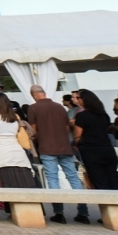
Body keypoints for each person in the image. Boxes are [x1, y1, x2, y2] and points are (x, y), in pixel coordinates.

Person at [27, 84, 89, 224]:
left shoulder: (34, 108)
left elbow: (33, 130)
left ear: (33, 95)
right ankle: (83, 212)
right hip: (64, 146)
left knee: (53, 178)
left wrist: (39, 140)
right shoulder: (59, 107)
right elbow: (67, 127)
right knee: (73, 177)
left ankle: (59, 213)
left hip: (47, 147)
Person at [71, 89, 118, 192]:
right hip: (107, 149)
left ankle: (108, 205)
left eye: (78, 98)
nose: (76, 100)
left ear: (84, 100)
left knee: (100, 182)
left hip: (91, 151)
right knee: (114, 180)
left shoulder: (82, 116)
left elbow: (77, 136)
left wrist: (80, 142)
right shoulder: (104, 115)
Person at [0, 93, 36, 188]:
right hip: (17, 148)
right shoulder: (15, 116)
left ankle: (3, 197)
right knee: (22, 175)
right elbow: (16, 130)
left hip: (2, 148)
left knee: (2, 173)